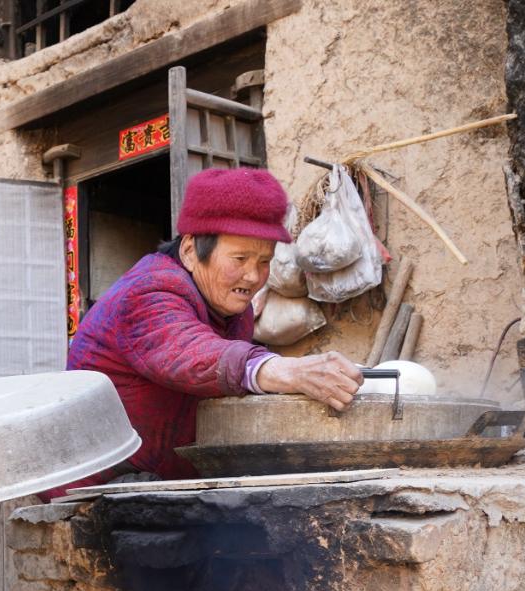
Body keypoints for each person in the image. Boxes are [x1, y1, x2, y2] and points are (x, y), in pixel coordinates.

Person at [60, 167, 363, 490]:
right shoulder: (148, 292)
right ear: (191, 251)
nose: (252, 276)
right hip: (93, 488)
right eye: (240, 258)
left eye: (264, 261)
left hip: (164, 483)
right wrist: (286, 370)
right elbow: (191, 352)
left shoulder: (234, 309)